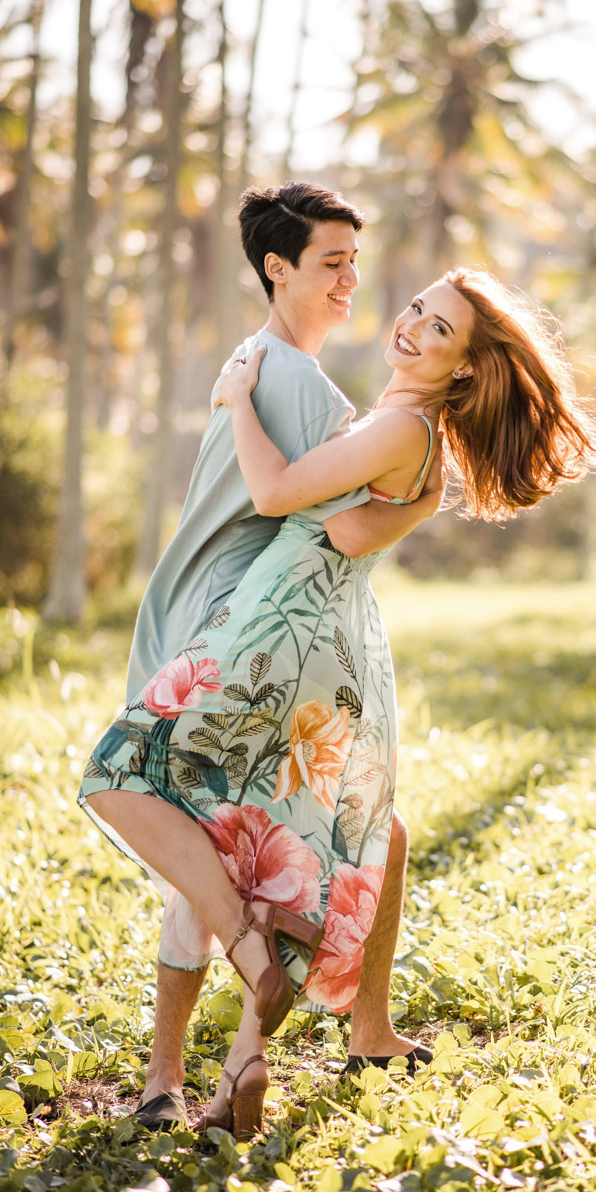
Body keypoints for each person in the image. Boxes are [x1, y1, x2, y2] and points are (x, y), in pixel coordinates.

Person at [80, 250, 596, 1137]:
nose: (409, 325)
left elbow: (276, 490)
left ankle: (253, 957)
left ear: (467, 367)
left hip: (274, 635)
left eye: (437, 327)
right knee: (299, 834)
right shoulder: (405, 434)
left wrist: (237, 402)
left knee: (118, 779)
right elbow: (344, 522)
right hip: (331, 641)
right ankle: (247, 1066)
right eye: (414, 307)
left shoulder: (402, 432)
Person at [80, 182, 442, 1134]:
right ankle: (250, 1023)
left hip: (184, 611)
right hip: (235, 633)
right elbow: (335, 522)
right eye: (331, 263)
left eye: (354, 263)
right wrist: (415, 504)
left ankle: (179, 1076)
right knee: (246, 844)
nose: (350, 281)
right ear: (277, 268)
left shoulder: (257, 362)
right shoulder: (311, 396)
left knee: (220, 846)